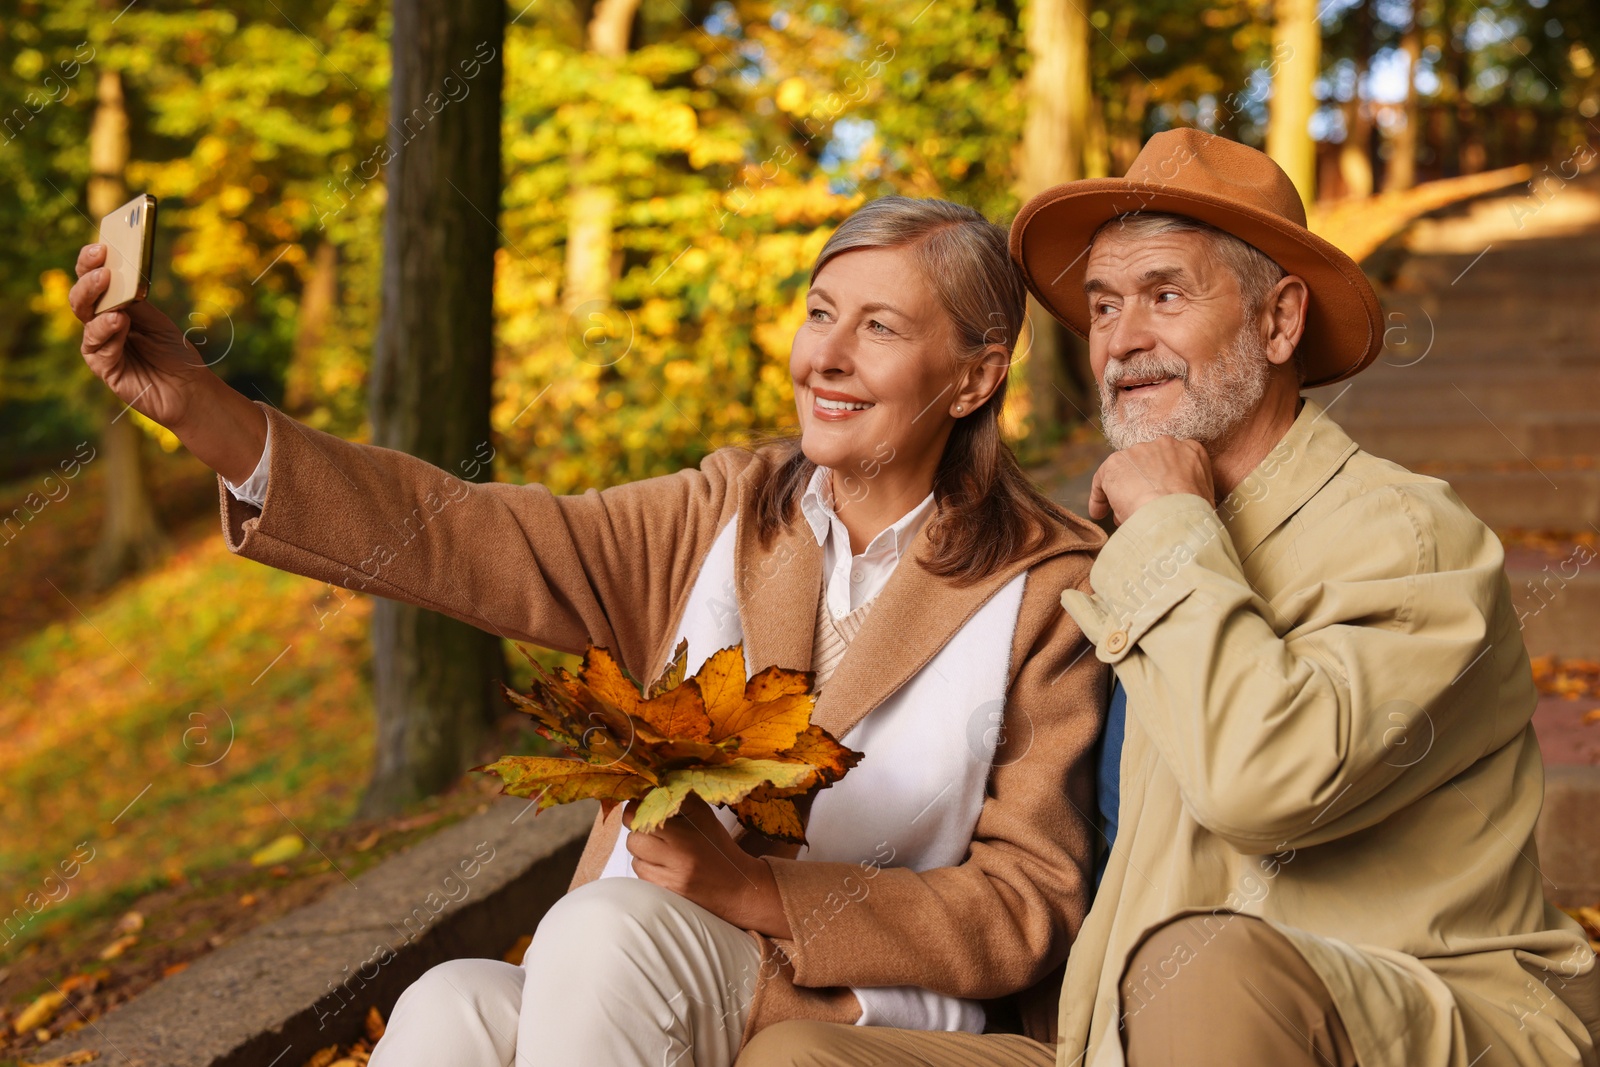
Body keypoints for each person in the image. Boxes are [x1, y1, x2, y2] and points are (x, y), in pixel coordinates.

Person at [67, 196, 1110, 1066]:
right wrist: (202, 407)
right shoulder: (727, 510)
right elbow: (462, 536)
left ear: (974, 377)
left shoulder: (1041, 585)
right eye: (818, 312)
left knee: (604, 929)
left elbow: (1026, 900)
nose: (825, 357)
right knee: (449, 1009)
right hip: (633, 967)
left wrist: (758, 889)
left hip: (859, 1013)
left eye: (879, 327)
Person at [734, 129, 1600, 1067]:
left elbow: (1263, 784)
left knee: (1200, 962)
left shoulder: (1406, 534)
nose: (1122, 339)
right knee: (799, 1057)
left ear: (1280, 323)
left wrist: (1171, 523)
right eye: (1104, 305)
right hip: (1117, 1036)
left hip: (1408, 1020)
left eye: (1166, 294)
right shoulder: (1116, 554)